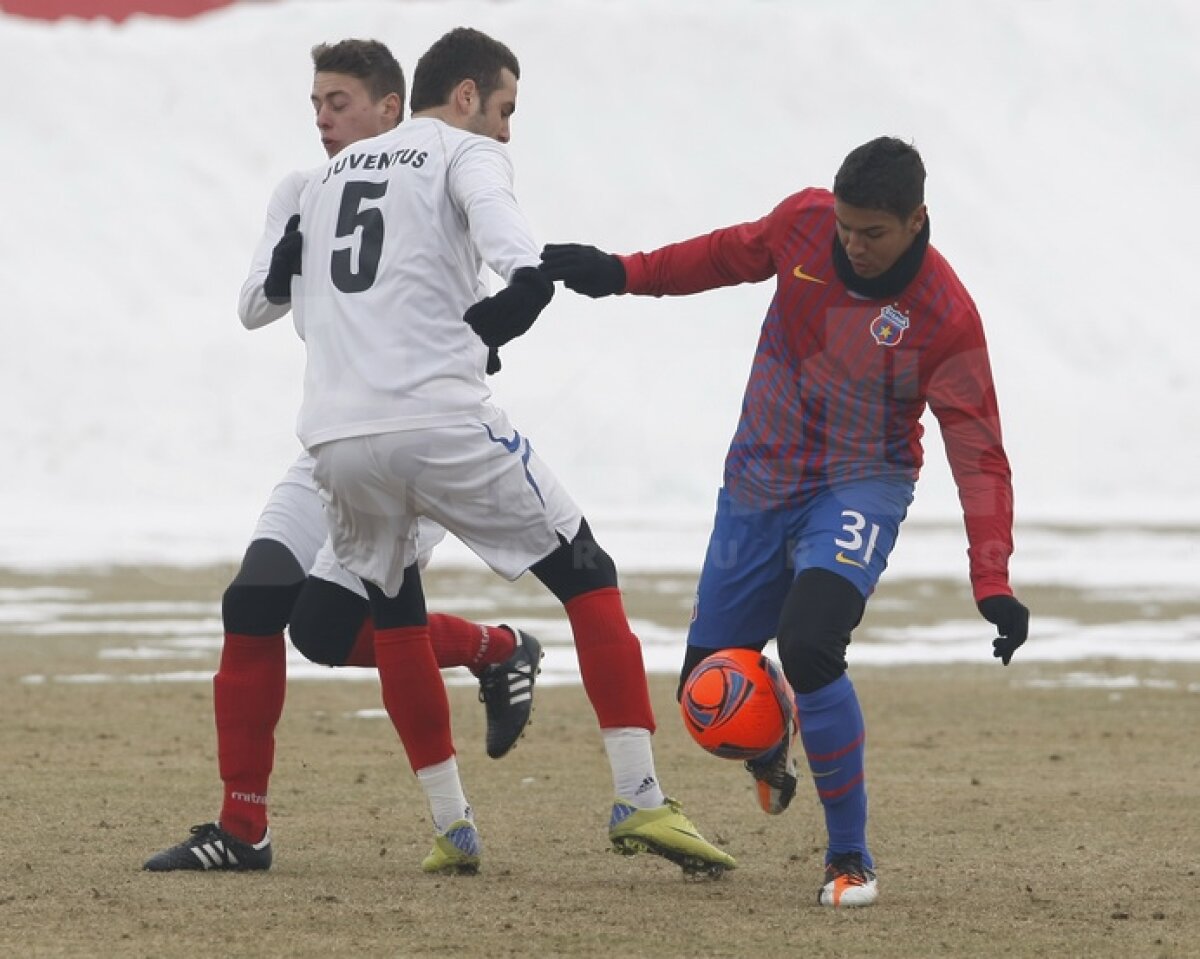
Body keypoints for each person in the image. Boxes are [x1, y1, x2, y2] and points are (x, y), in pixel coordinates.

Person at [291, 26, 735, 878]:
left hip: (337, 437)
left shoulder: (327, 177)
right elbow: (508, 241)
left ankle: (452, 827)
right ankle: (640, 799)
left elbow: (314, 303)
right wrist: (522, 291)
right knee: (586, 568)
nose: (505, 131)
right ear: (464, 97)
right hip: (438, 420)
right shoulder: (463, 152)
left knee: (395, 616)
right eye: (504, 109)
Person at [540, 136, 1031, 906]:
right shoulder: (803, 223)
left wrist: (992, 579)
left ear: (916, 220)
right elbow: (720, 256)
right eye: (846, 228)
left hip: (860, 484)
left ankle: (849, 858)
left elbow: (980, 452)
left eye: (872, 232)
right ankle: (773, 746)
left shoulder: (944, 314)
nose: (853, 245)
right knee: (706, 694)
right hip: (759, 481)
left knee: (810, 643)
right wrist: (621, 272)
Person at [143, 38, 541, 874]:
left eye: (339, 102)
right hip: (327, 445)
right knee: (253, 602)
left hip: (413, 442)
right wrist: (286, 267)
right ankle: (242, 829)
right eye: (315, 104)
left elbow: (475, 277)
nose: (323, 119)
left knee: (324, 628)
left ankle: (497, 650)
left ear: (391, 107)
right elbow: (254, 305)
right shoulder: (304, 188)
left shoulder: (438, 168)